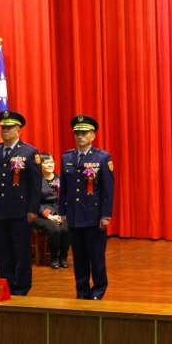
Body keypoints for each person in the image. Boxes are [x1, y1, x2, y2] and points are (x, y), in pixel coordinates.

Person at [0, 110, 42, 296]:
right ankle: (5, 285)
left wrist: (33, 209)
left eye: (9, 127)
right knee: (3, 251)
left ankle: (21, 287)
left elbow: (35, 184)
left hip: (20, 210)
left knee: (21, 251)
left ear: (19, 130)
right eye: (3, 127)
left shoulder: (29, 152)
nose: (5, 130)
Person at [60, 115, 115, 300]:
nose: (80, 136)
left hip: (93, 216)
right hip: (74, 215)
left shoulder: (102, 157)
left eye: (84, 133)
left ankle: (98, 289)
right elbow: (64, 188)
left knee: (96, 256)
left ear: (93, 135)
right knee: (79, 257)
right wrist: (63, 212)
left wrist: (106, 215)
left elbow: (108, 189)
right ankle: (82, 290)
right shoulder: (67, 157)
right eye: (77, 133)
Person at [33, 152, 70, 269]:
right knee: (54, 230)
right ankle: (54, 258)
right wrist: (49, 216)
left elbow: (66, 199)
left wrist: (61, 215)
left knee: (66, 229)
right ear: (40, 165)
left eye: (51, 162)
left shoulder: (60, 179)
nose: (50, 165)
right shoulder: (36, 181)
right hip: (41, 214)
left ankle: (63, 257)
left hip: (59, 213)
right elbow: (35, 202)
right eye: (46, 162)